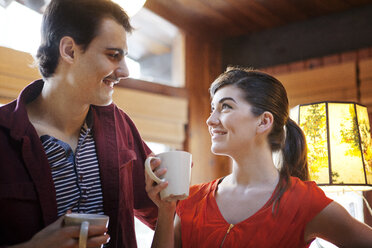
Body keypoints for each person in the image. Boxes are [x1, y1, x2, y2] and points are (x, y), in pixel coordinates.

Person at [146, 67, 372, 248]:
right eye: (212, 108)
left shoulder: (303, 201)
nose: (210, 120)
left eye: (225, 107)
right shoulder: (191, 200)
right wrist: (165, 211)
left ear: (263, 121)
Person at [0, 0, 158, 247]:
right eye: (113, 55)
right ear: (69, 51)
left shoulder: (120, 126)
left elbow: (162, 209)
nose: (125, 71)